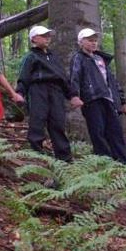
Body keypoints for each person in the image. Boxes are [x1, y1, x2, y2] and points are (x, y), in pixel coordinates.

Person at [16, 25, 80, 162]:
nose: (47, 38)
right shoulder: (31, 57)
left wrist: (72, 95)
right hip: (37, 89)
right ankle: (37, 155)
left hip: (56, 91)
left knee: (58, 124)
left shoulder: (54, 57)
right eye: (43, 35)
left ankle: (65, 159)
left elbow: (63, 77)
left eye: (48, 35)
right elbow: (23, 76)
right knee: (37, 121)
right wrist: (20, 92)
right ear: (34, 38)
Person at [69, 28, 126, 162]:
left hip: (109, 99)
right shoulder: (78, 58)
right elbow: (74, 77)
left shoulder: (101, 59)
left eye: (95, 40)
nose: (94, 43)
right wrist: (74, 95)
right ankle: (104, 162)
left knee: (115, 131)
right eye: (90, 40)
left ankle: (123, 162)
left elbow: (112, 81)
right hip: (92, 99)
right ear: (81, 42)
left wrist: (122, 101)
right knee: (97, 132)